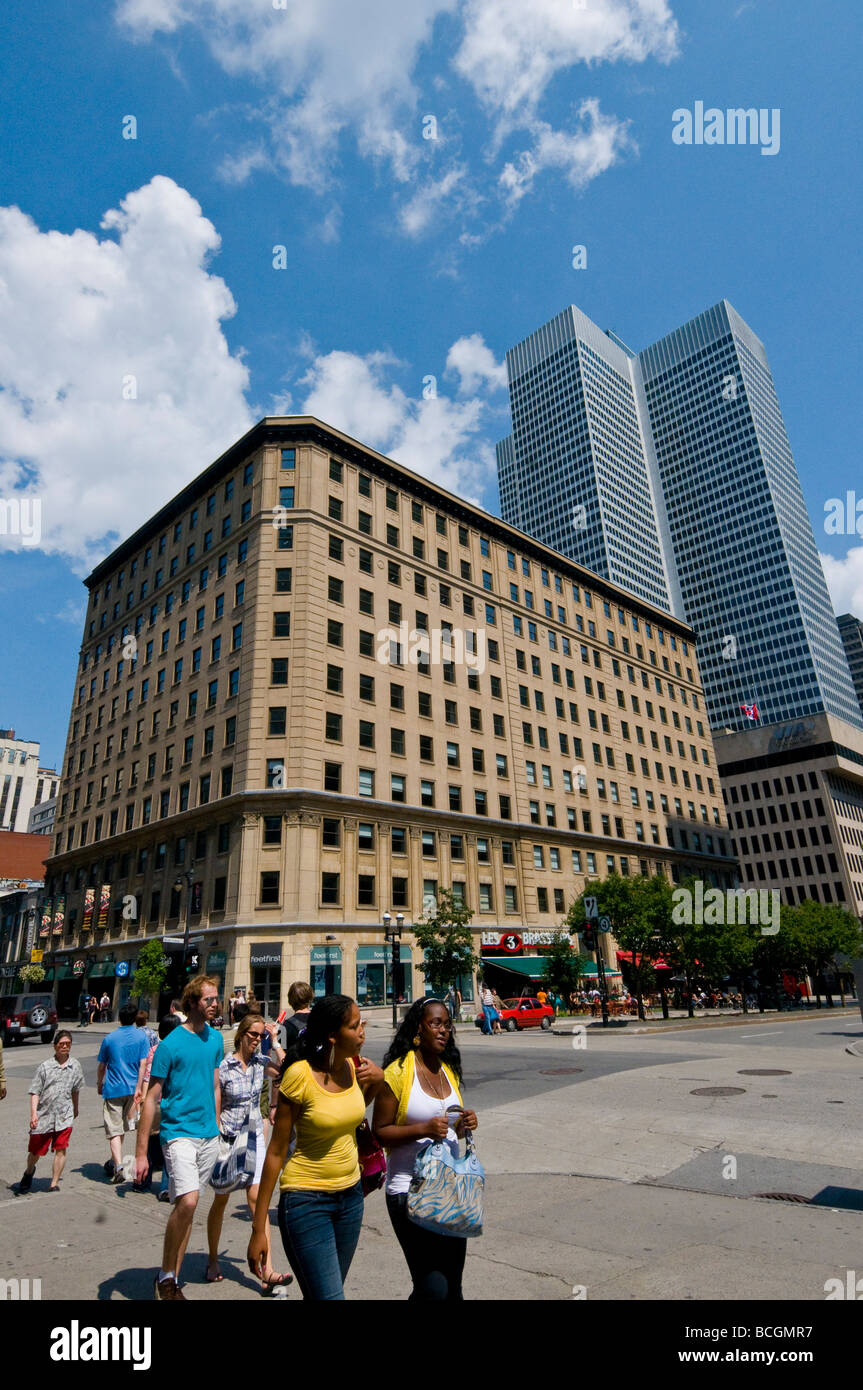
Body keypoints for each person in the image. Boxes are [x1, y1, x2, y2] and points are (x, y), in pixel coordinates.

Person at [247, 994, 385, 1301]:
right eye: (354, 1025)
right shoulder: (300, 1076)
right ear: (333, 1035)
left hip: (351, 1199)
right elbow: (276, 1151)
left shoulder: (354, 1066)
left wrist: (378, 1079)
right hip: (307, 1202)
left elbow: (351, 1113)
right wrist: (258, 1228)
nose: (362, 1030)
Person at [373, 998, 478, 1301]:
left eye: (447, 1024)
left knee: (453, 1287)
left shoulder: (449, 1070)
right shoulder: (397, 1072)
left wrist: (464, 1124)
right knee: (433, 1287)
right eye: (435, 1023)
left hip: (450, 1191)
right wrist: (424, 1129)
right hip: (409, 1192)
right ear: (418, 1028)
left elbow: (450, 1130)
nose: (443, 1030)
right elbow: (380, 1132)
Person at [134, 976, 224, 1300]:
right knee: (187, 1201)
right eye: (209, 1000)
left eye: (217, 998)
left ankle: (170, 1282)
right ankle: (165, 1275)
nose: (215, 1004)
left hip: (208, 1136)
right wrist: (141, 1153)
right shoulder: (170, 1045)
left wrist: (218, 1128)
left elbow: (215, 1085)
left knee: (189, 1208)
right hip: (178, 1134)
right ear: (192, 1003)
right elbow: (151, 1098)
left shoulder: (215, 1040)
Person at [205, 1013, 292, 1292]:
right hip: (228, 1137)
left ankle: (267, 1270)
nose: (256, 1040)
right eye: (252, 1034)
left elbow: (288, 1067)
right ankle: (213, 1258)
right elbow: (215, 1097)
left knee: (258, 1200)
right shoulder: (226, 1065)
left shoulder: (260, 1063)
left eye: (260, 1035)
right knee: (220, 1200)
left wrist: (275, 1041)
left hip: (254, 1136)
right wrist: (215, 1130)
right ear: (241, 1034)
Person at [18, 1032, 84, 1193]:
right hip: (44, 1116)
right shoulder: (45, 1066)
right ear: (55, 1046)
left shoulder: (75, 1066)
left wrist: (75, 1107)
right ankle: (29, 1171)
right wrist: (33, 1114)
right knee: (36, 1151)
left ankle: (53, 1183)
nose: (65, 1046)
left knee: (61, 1149)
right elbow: (35, 1091)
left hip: (64, 1115)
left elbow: (76, 1090)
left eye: (68, 1043)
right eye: (61, 1043)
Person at [97, 1000, 150, 1183]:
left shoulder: (110, 1038)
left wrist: (99, 1083)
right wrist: (139, 1088)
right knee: (121, 1128)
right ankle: (115, 1161)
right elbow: (143, 1064)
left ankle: (118, 1165)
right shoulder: (141, 1037)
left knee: (113, 1128)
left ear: (119, 1018)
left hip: (113, 1088)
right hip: (131, 1089)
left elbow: (102, 1066)